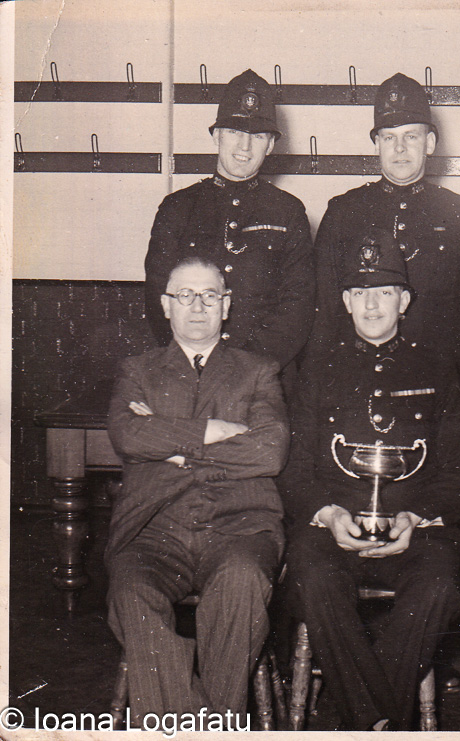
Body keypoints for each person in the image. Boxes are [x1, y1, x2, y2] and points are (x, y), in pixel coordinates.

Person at [280, 228, 460, 731]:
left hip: (419, 529)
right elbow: (295, 464)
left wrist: (418, 516)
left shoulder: (437, 366)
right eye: (362, 293)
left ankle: (346, 721)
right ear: (347, 301)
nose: (373, 305)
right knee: (314, 579)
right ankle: (380, 723)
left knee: (440, 585)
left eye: (385, 292)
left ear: (404, 300)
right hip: (334, 528)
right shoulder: (317, 368)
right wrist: (328, 513)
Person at [106, 257, 289, 720]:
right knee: (130, 591)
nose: (198, 306)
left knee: (243, 581)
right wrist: (213, 430)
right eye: (185, 296)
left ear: (226, 306)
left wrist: (172, 443)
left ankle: (206, 723)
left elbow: (269, 452)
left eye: (210, 295)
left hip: (239, 526)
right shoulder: (137, 370)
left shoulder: (258, 370)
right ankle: (199, 722)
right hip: (153, 529)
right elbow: (128, 435)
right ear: (166, 306)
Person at [309, 72, 460, 412]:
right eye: (389, 137)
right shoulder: (343, 214)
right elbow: (325, 315)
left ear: (429, 143)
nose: (399, 149)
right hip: (358, 382)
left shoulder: (459, 216)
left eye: (411, 137)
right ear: (376, 144)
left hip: (440, 385)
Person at [144, 68, 314, 381]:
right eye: (235, 132)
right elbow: (159, 296)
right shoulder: (177, 208)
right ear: (216, 136)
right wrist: (197, 363)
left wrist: (244, 371)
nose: (244, 147)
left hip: (263, 377)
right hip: (189, 375)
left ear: (271, 145)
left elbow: (297, 308)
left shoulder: (288, 213)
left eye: (258, 136)